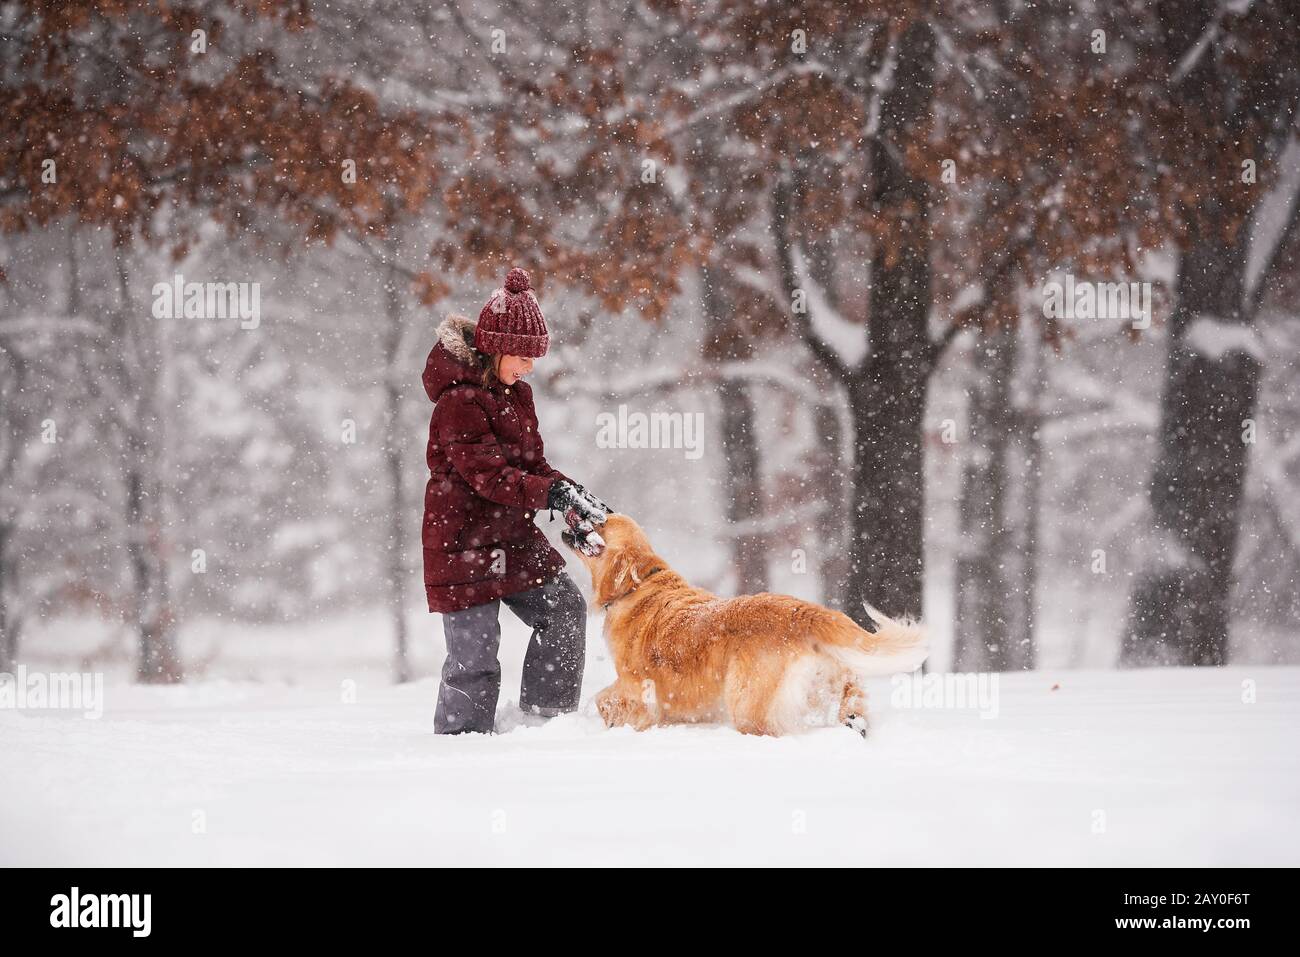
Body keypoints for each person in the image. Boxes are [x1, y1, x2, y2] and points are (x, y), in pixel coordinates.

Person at [421, 266, 608, 734]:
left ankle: (545, 723)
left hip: (512, 538)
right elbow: (490, 478)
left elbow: (532, 467)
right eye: (522, 356)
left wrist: (573, 498)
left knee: (564, 609)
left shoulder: (517, 395)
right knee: (475, 656)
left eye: (534, 357)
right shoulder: (459, 402)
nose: (529, 367)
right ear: (494, 346)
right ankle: (461, 745)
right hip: (463, 545)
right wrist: (549, 493)